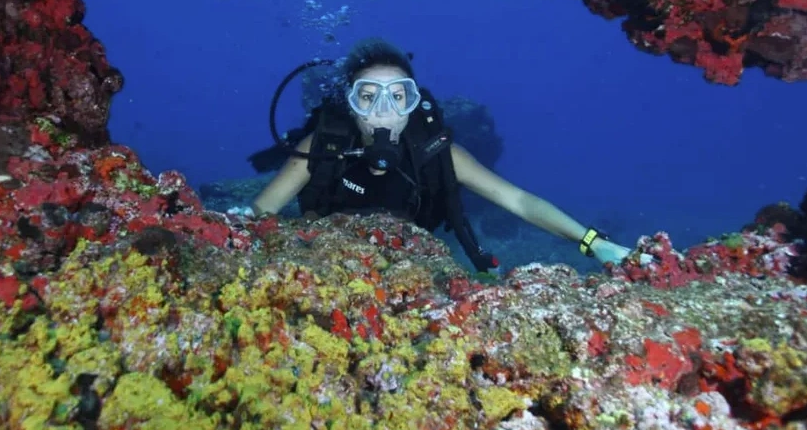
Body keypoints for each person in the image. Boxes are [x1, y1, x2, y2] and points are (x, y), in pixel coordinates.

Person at [246, 37, 642, 272]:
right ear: (351, 105)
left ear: (413, 103)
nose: (384, 110)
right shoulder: (322, 146)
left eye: (398, 96)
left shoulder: (437, 153)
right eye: (368, 97)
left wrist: (594, 242)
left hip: (411, 269)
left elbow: (519, 201)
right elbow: (260, 214)